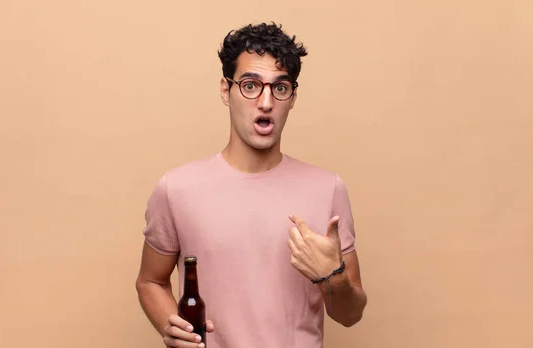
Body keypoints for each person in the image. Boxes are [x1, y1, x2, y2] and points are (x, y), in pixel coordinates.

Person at [135, 22, 367, 348]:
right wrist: (171, 328)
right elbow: (150, 280)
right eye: (250, 85)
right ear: (225, 91)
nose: (266, 102)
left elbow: (350, 313)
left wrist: (332, 277)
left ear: (293, 97)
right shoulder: (176, 189)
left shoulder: (327, 189)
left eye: (280, 88)